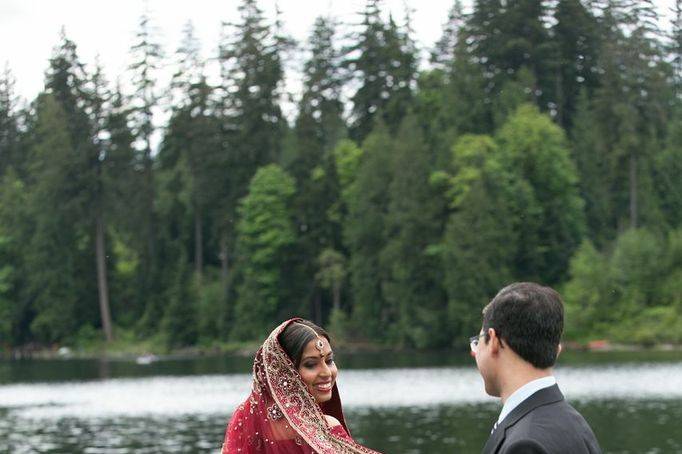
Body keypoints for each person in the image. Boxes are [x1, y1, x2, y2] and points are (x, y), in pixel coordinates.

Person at [470, 282, 602, 454]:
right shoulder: (573, 423)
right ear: (557, 350)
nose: (474, 352)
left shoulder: (524, 444)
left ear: (494, 341)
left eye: (477, 341)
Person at [222, 318, 380, 454]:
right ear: (284, 372)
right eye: (311, 365)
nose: (326, 372)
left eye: (329, 361)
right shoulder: (325, 428)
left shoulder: (246, 420)